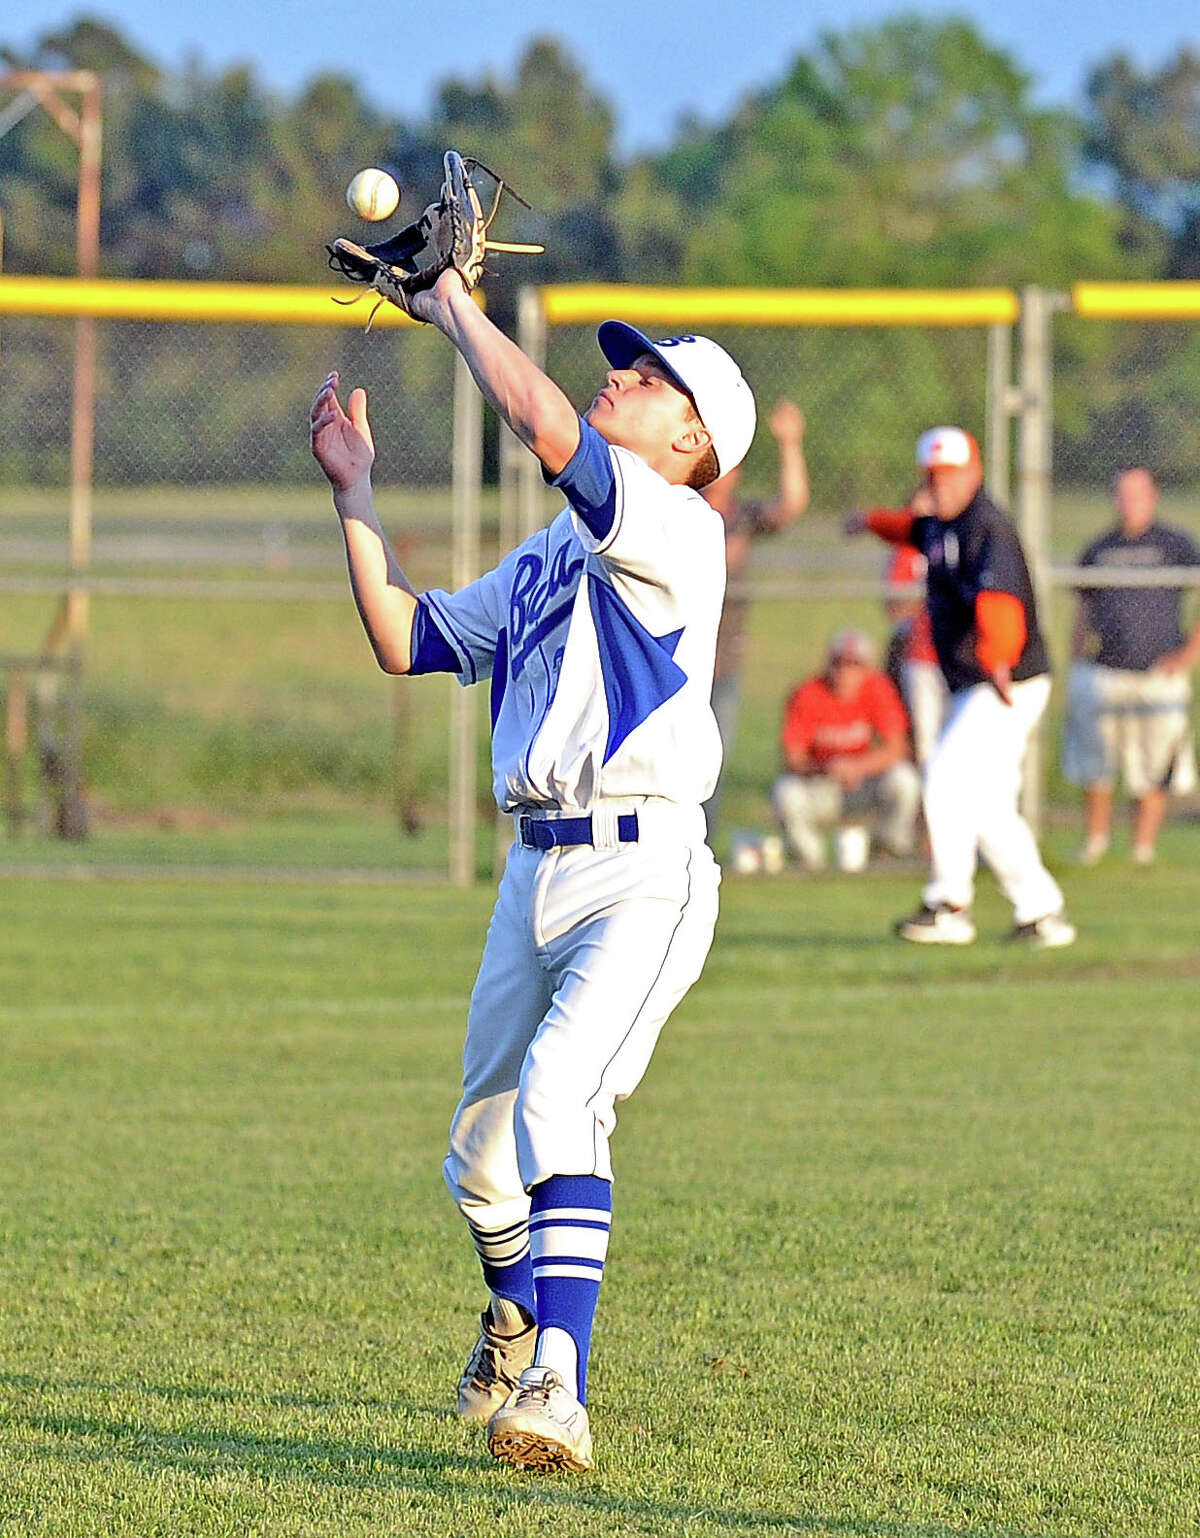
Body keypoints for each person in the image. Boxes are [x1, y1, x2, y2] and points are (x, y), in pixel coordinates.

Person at [310, 265, 756, 1474]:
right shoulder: (560, 549)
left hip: (642, 868)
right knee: (477, 1160)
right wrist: (356, 495)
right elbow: (408, 638)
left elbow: (542, 421)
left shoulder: (677, 526)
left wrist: (453, 301)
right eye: (627, 363)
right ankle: (514, 1318)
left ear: (693, 440)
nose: (622, 376)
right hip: (534, 873)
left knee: (563, 1095)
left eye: (651, 377)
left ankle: (561, 1383)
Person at [845, 425, 1076, 947]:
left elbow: (1001, 600)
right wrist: (870, 522)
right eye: (932, 476)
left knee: (946, 775)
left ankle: (949, 904)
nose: (940, 485)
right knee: (988, 805)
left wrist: (997, 657)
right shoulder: (942, 524)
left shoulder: (985, 528)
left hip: (1005, 680)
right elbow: (911, 529)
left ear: (974, 473)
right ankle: (1043, 912)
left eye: (949, 475)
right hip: (984, 681)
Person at [1063, 467, 1200, 865]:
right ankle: (1096, 841)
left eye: (1138, 494)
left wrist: (1189, 653)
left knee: (1154, 763)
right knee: (1097, 760)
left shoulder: (1176, 545)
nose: (1130, 502)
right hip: (1106, 670)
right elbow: (1084, 608)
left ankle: (1142, 848)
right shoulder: (1099, 548)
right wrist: (1076, 659)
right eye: (1123, 494)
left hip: (1159, 672)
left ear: (1153, 496)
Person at [703, 399, 809, 839]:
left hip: (724, 659)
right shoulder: (680, 510)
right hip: (672, 658)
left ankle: (702, 844)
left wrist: (790, 443)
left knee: (713, 758)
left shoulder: (741, 517)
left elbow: (791, 504)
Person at [772, 627, 921, 871]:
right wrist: (826, 767)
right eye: (839, 664)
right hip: (822, 784)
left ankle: (887, 851)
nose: (844, 673)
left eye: (853, 666)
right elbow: (792, 757)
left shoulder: (877, 689)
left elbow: (897, 747)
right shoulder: (808, 693)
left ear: (866, 668)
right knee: (785, 792)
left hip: (863, 784)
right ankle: (810, 862)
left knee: (905, 780)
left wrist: (859, 767)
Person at [881, 528, 947, 768]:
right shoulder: (910, 548)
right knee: (926, 741)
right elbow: (896, 607)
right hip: (922, 655)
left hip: (963, 658)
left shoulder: (967, 537)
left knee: (960, 734)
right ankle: (930, 789)